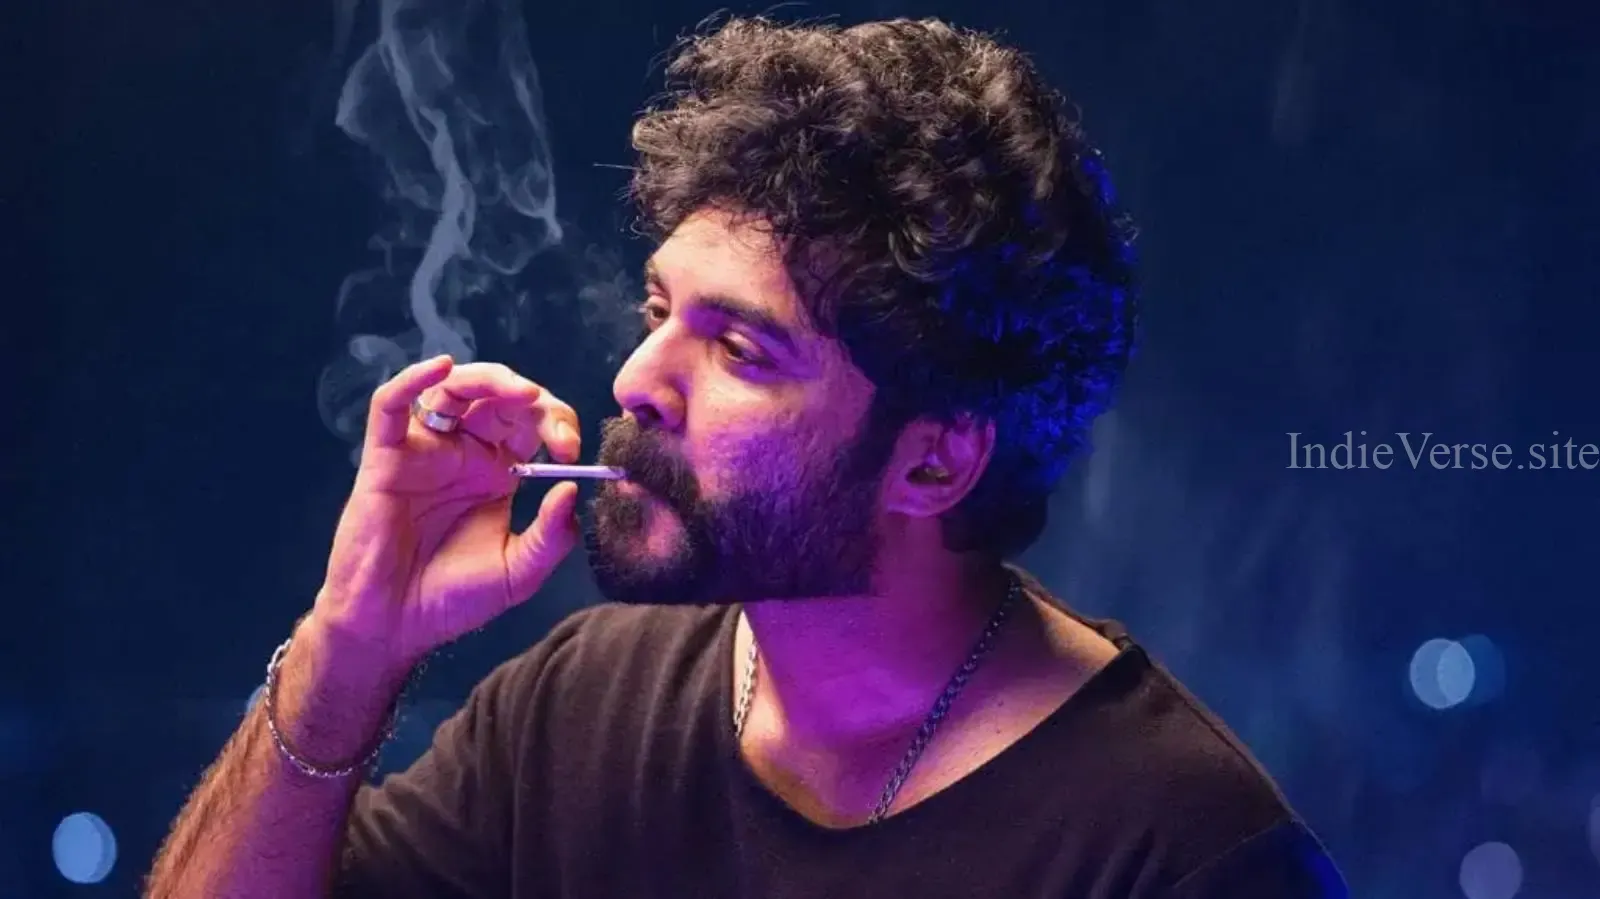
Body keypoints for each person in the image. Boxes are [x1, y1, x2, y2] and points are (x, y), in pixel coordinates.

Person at [145, 16, 1347, 899]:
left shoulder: (1180, 849)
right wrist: (350, 646)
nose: (635, 378)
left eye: (738, 348)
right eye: (657, 310)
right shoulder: (576, 704)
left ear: (933, 463)